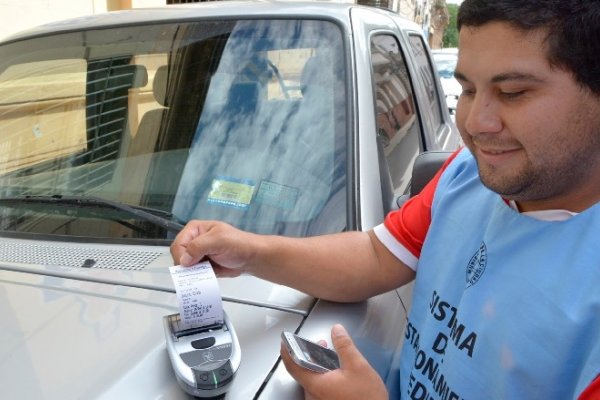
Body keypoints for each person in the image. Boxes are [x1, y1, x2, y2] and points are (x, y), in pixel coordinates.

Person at [170, 0, 600, 398]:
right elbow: (377, 255)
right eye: (468, 90)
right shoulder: (464, 175)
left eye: (512, 93)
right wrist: (249, 251)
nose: (475, 123)